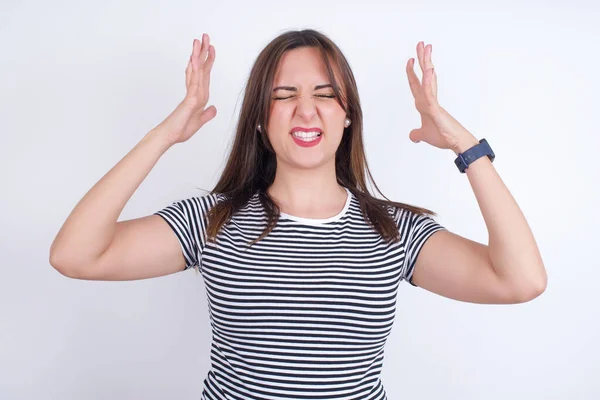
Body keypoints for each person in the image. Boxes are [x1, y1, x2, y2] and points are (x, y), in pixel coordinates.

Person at [49, 29, 547, 399]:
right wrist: (164, 135)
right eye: (283, 95)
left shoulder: (396, 232)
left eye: (325, 95)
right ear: (261, 122)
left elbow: (520, 280)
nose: (305, 111)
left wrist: (464, 144)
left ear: (347, 115)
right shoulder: (212, 221)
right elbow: (75, 255)